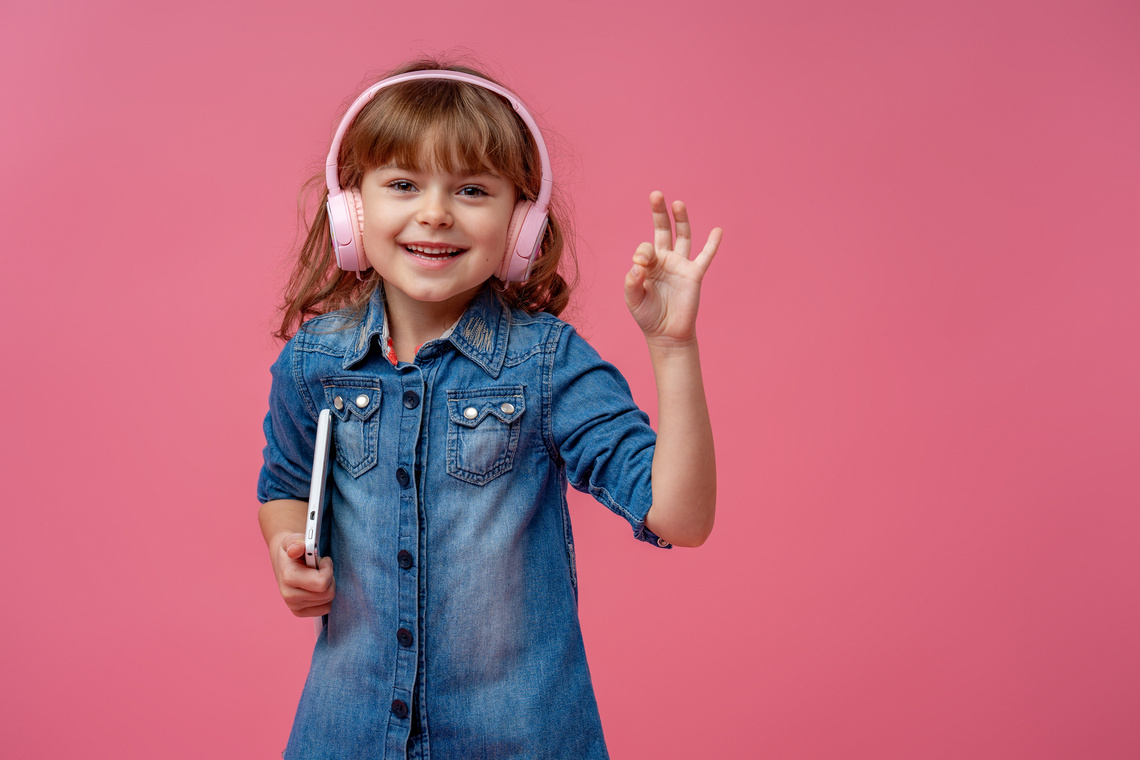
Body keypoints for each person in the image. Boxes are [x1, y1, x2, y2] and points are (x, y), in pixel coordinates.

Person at [257, 57, 722, 760]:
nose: (436, 212)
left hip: (521, 738)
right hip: (344, 733)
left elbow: (679, 518)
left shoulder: (546, 363)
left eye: (472, 188)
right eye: (403, 184)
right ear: (351, 208)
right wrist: (287, 550)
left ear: (522, 221)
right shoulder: (314, 362)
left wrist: (672, 346)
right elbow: (285, 489)